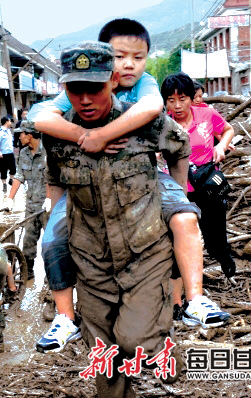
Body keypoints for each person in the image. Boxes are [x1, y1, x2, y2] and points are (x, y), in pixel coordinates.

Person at [33, 19, 229, 355]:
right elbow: (48, 146)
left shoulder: (146, 95)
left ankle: (195, 299)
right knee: (52, 237)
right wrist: (82, 136)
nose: (128, 65)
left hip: (143, 182)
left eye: (137, 58)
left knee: (183, 219)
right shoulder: (71, 105)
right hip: (87, 195)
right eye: (119, 56)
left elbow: (172, 136)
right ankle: (65, 317)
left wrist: (177, 192)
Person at [42, 41, 192, 395]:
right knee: (105, 357)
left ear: (111, 80)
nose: (86, 99)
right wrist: (54, 227)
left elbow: (180, 147)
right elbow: (55, 179)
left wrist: (177, 196)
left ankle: (163, 347)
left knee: (133, 338)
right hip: (91, 260)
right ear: (64, 88)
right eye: (75, 90)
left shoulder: (144, 123)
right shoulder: (59, 135)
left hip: (145, 255)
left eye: (94, 87)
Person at [161, 72, 236, 282]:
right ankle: (179, 289)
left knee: (214, 238)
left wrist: (221, 145)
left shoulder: (206, 114)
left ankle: (223, 255)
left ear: (191, 98)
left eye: (182, 99)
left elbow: (228, 129)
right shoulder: (163, 124)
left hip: (208, 185)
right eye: (171, 100)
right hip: (178, 190)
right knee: (178, 236)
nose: (177, 105)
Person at [6, 121, 49, 280]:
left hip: (47, 207)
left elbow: (53, 179)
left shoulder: (47, 152)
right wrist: (9, 198)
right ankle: (27, 273)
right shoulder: (23, 153)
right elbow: (19, 176)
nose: (19, 137)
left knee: (50, 243)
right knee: (28, 240)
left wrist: (50, 200)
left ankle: (51, 276)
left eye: (21, 134)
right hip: (31, 205)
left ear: (29, 135)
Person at [0, 116, 16, 193]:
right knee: (3, 170)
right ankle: (4, 184)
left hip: (10, 153)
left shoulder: (9, 131)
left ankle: (11, 179)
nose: (10, 122)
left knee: (13, 168)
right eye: (9, 121)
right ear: (6, 122)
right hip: (3, 154)